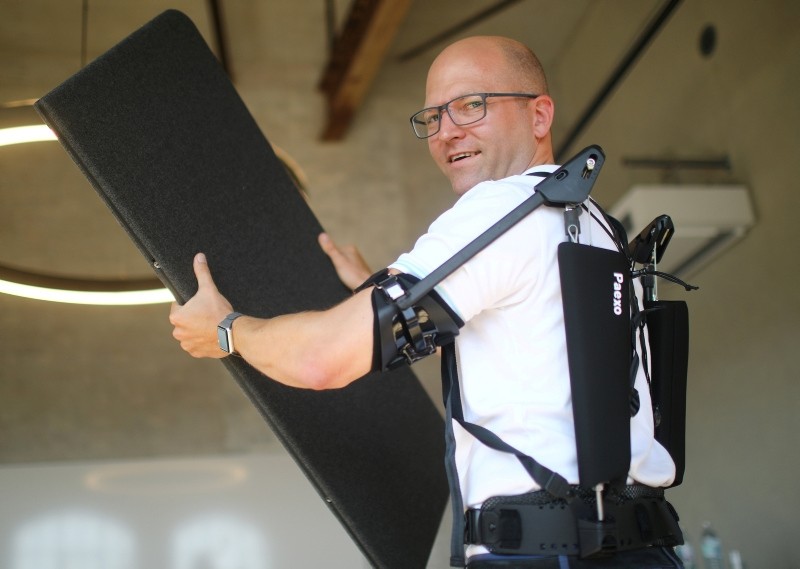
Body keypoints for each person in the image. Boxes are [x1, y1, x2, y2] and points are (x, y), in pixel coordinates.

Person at [170, 36, 683, 568]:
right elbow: (523, 360)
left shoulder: (503, 208)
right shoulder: (590, 222)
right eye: (433, 117)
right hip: (642, 550)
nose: (447, 131)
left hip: (546, 552)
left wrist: (227, 329)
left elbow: (319, 359)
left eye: (471, 105)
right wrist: (379, 291)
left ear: (539, 115)